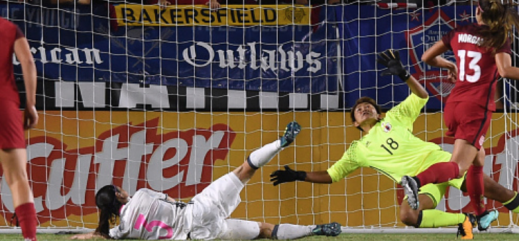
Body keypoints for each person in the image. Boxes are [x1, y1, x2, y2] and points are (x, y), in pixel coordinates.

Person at [270, 49, 519, 240]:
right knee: (407, 216)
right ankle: (465, 219)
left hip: (440, 163)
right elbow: (332, 175)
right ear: (353, 122)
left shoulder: (396, 118)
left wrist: (404, 75)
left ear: (379, 113)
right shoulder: (357, 150)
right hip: (418, 185)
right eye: (359, 108)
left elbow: (421, 97)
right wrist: (298, 175)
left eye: (369, 105)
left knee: (499, 192)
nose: (364, 108)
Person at [400, 0, 519, 227]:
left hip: (453, 105)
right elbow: (505, 71)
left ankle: (482, 214)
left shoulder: (459, 32)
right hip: (476, 109)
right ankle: (415, 181)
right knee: (457, 168)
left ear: (477, 11)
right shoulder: (498, 37)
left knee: (478, 159)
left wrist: (449, 64)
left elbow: (426, 57)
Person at [71, 122, 342, 240]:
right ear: (119, 195)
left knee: (263, 230)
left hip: (201, 235)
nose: (123, 189)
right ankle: (281, 143)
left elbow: (99, 235)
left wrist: (75, 236)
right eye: (119, 188)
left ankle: (314, 230)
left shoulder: (123, 231)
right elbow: (173, 202)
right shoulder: (141, 194)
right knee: (244, 169)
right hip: (199, 209)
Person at [0, 16, 39, 241]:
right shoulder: (8, 28)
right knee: (17, 178)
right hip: (4, 105)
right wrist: (31, 104)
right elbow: (28, 62)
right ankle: (29, 238)